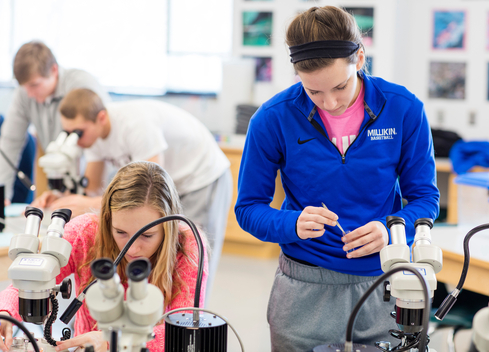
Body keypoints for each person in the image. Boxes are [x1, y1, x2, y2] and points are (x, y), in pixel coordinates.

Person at [234, 6, 440, 351]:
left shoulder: (404, 109)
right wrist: (292, 222)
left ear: (359, 58)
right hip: (302, 293)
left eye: (340, 87)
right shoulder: (271, 119)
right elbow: (248, 208)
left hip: (383, 286)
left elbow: (425, 199)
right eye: (314, 91)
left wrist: (392, 230)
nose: (330, 103)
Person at [31, 88, 232, 300]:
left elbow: (150, 190)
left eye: (78, 132)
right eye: (68, 132)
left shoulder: (135, 125)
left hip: (200, 178)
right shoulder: (93, 136)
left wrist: (86, 202)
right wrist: (63, 197)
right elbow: (92, 188)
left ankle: (185, 321)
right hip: (167, 187)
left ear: (101, 117)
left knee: (190, 255)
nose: (75, 139)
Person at [0, 161, 209, 352]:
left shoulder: (187, 245)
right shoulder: (87, 232)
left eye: (146, 235)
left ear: (168, 228)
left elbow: (186, 329)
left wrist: (111, 340)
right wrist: (6, 312)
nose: (132, 249)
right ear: (108, 220)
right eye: (120, 233)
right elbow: (33, 278)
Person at [0, 41, 110, 204]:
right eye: (24, 87)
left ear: (54, 70)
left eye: (34, 85)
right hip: (57, 172)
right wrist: (3, 194)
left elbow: (100, 134)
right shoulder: (24, 93)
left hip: (94, 171)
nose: (29, 94)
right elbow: (10, 142)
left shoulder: (81, 85)